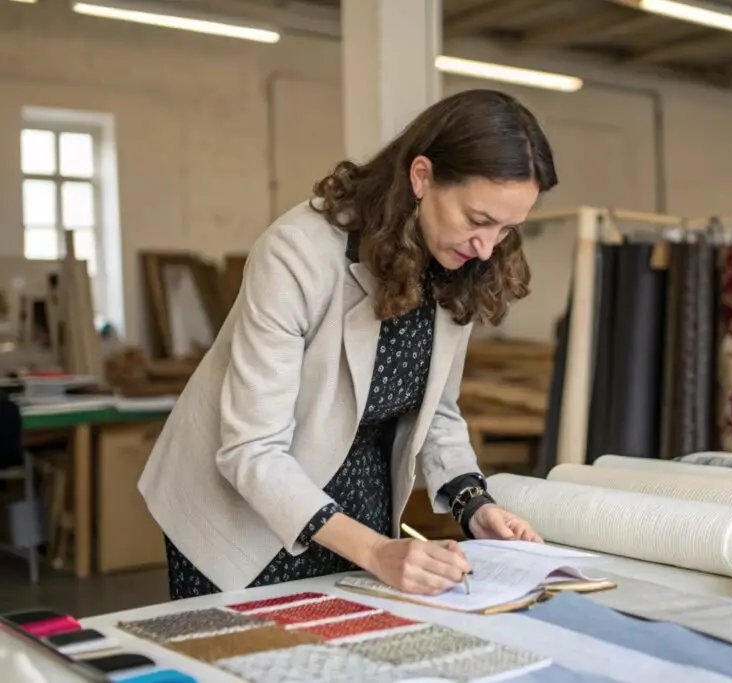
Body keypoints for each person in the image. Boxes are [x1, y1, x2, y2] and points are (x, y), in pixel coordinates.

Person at [139, 89, 555, 601]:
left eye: (508, 229)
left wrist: (476, 504)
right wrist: (377, 550)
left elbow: (438, 413)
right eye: (478, 220)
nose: (487, 247)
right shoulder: (297, 254)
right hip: (244, 511)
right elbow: (252, 450)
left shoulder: (456, 264)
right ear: (421, 177)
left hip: (360, 503)